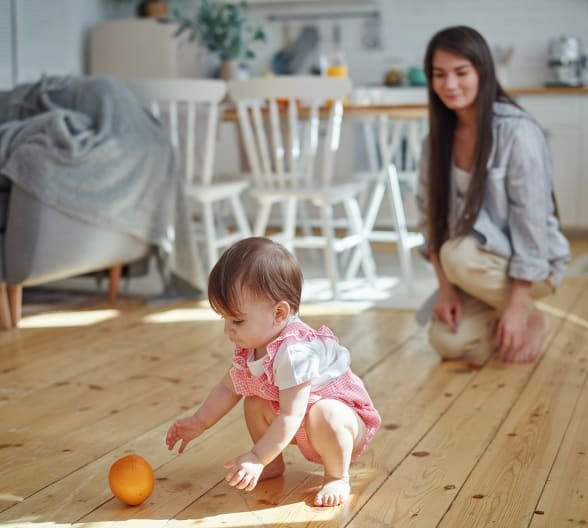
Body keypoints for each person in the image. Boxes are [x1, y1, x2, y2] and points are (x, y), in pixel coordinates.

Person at [165, 237, 381, 507]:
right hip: (300, 419)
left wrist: (255, 456)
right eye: (225, 319)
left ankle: (337, 476)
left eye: (237, 320)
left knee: (324, 413)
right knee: (254, 401)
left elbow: (292, 414)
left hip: (342, 422)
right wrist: (200, 421)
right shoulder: (252, 346)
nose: (228, 329)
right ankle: (272, 463)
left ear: (279, 313)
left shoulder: (295, 353)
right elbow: (228, 387)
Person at [416, 25, 570, 364]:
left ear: (482, 71)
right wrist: (445, 289)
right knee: (447, 342)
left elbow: (532, 225)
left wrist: (517, 306)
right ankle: (513, 323)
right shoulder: (435, 141)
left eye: (461, 72)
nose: (450, 85)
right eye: (439, 74)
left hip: (531, 265)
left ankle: (527, 314)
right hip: (473, 266)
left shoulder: (517, 132)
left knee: (456, 253)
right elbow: (430, 218)